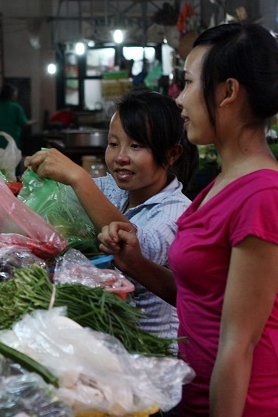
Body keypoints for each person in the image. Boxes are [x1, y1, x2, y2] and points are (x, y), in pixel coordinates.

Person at [99, 23, 278, 416]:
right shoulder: (221, 184)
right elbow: (200, 300)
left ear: (228, 92)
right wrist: (135, 264)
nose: (180, 100)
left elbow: (239, 344)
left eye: (187, 84)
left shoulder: (263, 197)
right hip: (196, 395)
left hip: (253, 405)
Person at [24, 89, 198, 341]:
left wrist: (78, 177)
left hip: (149, 349)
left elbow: (138, 249)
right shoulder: (113, 189)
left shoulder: (176, 212)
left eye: (136, 146)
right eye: (113, 144)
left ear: (171, 154)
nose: (120, 158)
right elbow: (63, 202)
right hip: (106, 338)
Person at [0, 83, 32, 150]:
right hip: (12, 140)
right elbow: (24, 123)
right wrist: (34, 121)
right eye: (15, 93)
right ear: (12, 94)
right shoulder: (16, 107)